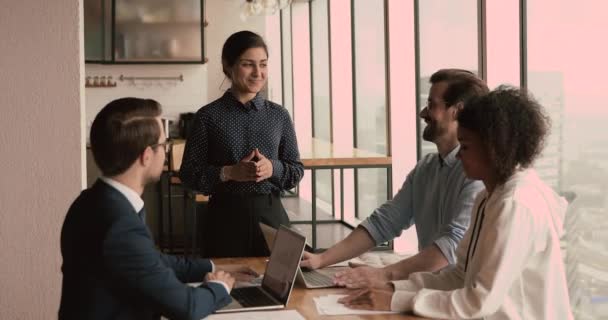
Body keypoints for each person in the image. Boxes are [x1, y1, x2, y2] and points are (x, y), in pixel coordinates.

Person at [339, 86, 573, 319]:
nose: (459, 155)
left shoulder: (515, 204)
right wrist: (393, 289)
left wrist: (396, 299)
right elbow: (459, 277)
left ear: (495, 149)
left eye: (467, 146)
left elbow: (478, 301)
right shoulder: (487, 197)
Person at [59, 98, 258, 320]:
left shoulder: (89, 202)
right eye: (164, 145)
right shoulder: (119, 225)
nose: (165, 152)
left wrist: (213, 266)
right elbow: (187, 308)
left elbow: (151, 261)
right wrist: (220, 286)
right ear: (146, 156)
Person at [301, 69, 487, 288]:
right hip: (427, 288)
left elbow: (450, 246)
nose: (423, 113)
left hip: (458, 298)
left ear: (457, 111)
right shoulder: (426, 168)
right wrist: (321, 259)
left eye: (432, 104)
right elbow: (385, 221)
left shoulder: (476, 175)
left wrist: (382, 275)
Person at [180, 31, 304, 258]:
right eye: (248, 64)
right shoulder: (207, 116)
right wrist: (228, 172)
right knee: (225, 288)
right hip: (224, 220)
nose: (258, 72)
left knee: (281, 288)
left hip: (272, 216)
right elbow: (189, 175)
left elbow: (295, 171)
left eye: (263, 64)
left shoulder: (279, 115)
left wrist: (272, 168)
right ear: (228, 66)